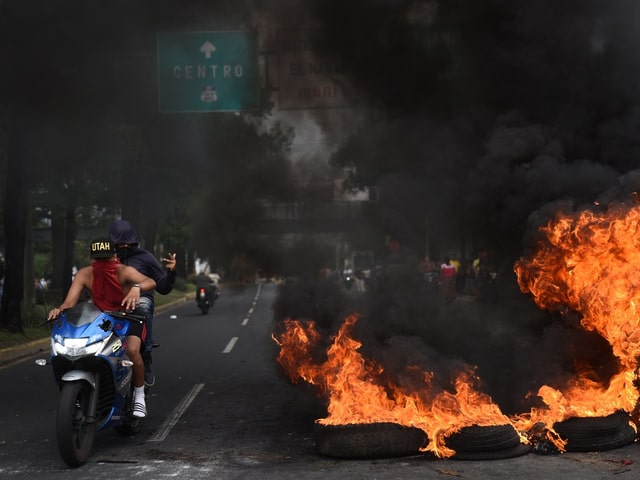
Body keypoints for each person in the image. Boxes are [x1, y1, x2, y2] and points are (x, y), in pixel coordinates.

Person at [47, 238, 156, 418]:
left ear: (115, 257)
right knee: (84, 352)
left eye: (106, 259)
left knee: (133, 350)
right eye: (99, 260)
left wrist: (137, 288)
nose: (103, 264)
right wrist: (58, 310)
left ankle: (139, 395)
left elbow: (150, 282)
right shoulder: (84, 274)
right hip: (101, 319)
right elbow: (69, 302)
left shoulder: (124, 271)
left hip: (129, 317)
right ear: (91, 260)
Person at [109, 220, 177, 387]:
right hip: (113, 302)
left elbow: (163, 287)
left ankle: (145, 355)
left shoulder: (145, 257)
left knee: (143, 305)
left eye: (127, 241)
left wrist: (171, 272)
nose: (124, 245)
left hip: (140, 301)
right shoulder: (108, 258)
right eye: (120, 242)